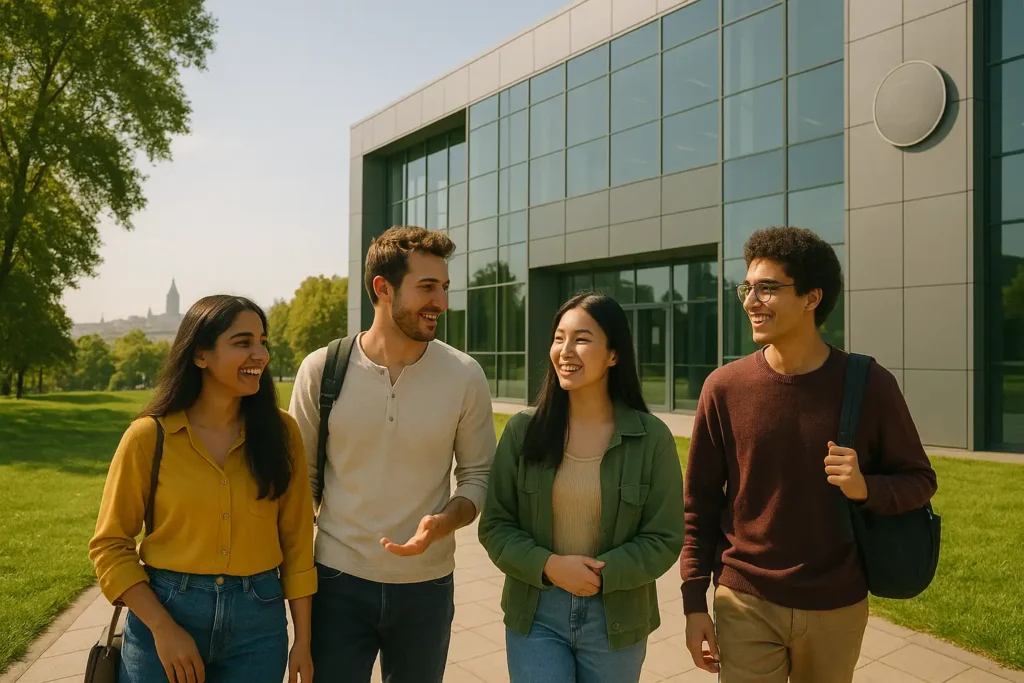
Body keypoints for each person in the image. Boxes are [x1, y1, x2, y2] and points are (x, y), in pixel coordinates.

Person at [680, 227, 939, 683]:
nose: (749, 301)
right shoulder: (723, 388)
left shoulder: (869, 383)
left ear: (811, 297)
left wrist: (865, 488)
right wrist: (693, 602)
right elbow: (698, 503)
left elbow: (920, 480)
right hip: (745, 598)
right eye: (747, 288)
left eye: (767, 288)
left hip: (836, 603)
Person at [288, 225, 497, 683]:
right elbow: (298, 488)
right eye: (427, 287)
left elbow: (479, 476)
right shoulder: (321, 370)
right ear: (383, 289)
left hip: (427, 587)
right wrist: (298, 614)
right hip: (336, 583)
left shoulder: (465, 375)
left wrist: (446, 521)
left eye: (444, 288)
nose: (441, 302)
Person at [89, 295, 317, 683]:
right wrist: (162, 628)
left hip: (259, 625)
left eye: (263, 341)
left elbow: (296, 542)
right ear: (200, 355)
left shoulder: (281, 433)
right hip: (166, 612)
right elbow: (110, 545)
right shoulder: (149, 437)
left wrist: (303, 642)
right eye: (243, 342)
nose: (260, 354)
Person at [477, 292, 685, 683]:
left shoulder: (651, 437)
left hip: (617, 617)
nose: (565, 350)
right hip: (536, 612)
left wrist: (602, 574)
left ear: (614, 355)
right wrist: (550, 566)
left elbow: (665, 536)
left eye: (582, 339)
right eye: (559, 337)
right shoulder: (524, 432)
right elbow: (496, 526)